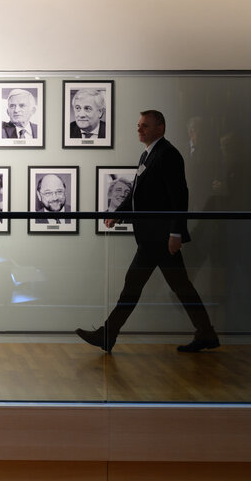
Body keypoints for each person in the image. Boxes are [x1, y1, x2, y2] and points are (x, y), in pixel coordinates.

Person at [76, 110, 219, 353]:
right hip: (154, 237)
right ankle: (206, 333)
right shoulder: (149, 154)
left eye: (145, 126)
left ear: (160, 128)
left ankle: (108, 334)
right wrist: (117, 212)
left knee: (135, 285)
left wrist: (176, 234)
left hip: (160, 238)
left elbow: (179, 196)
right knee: (179, 286)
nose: (139, 129)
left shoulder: (168, 154)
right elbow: (136, 193)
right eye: (139, 125)